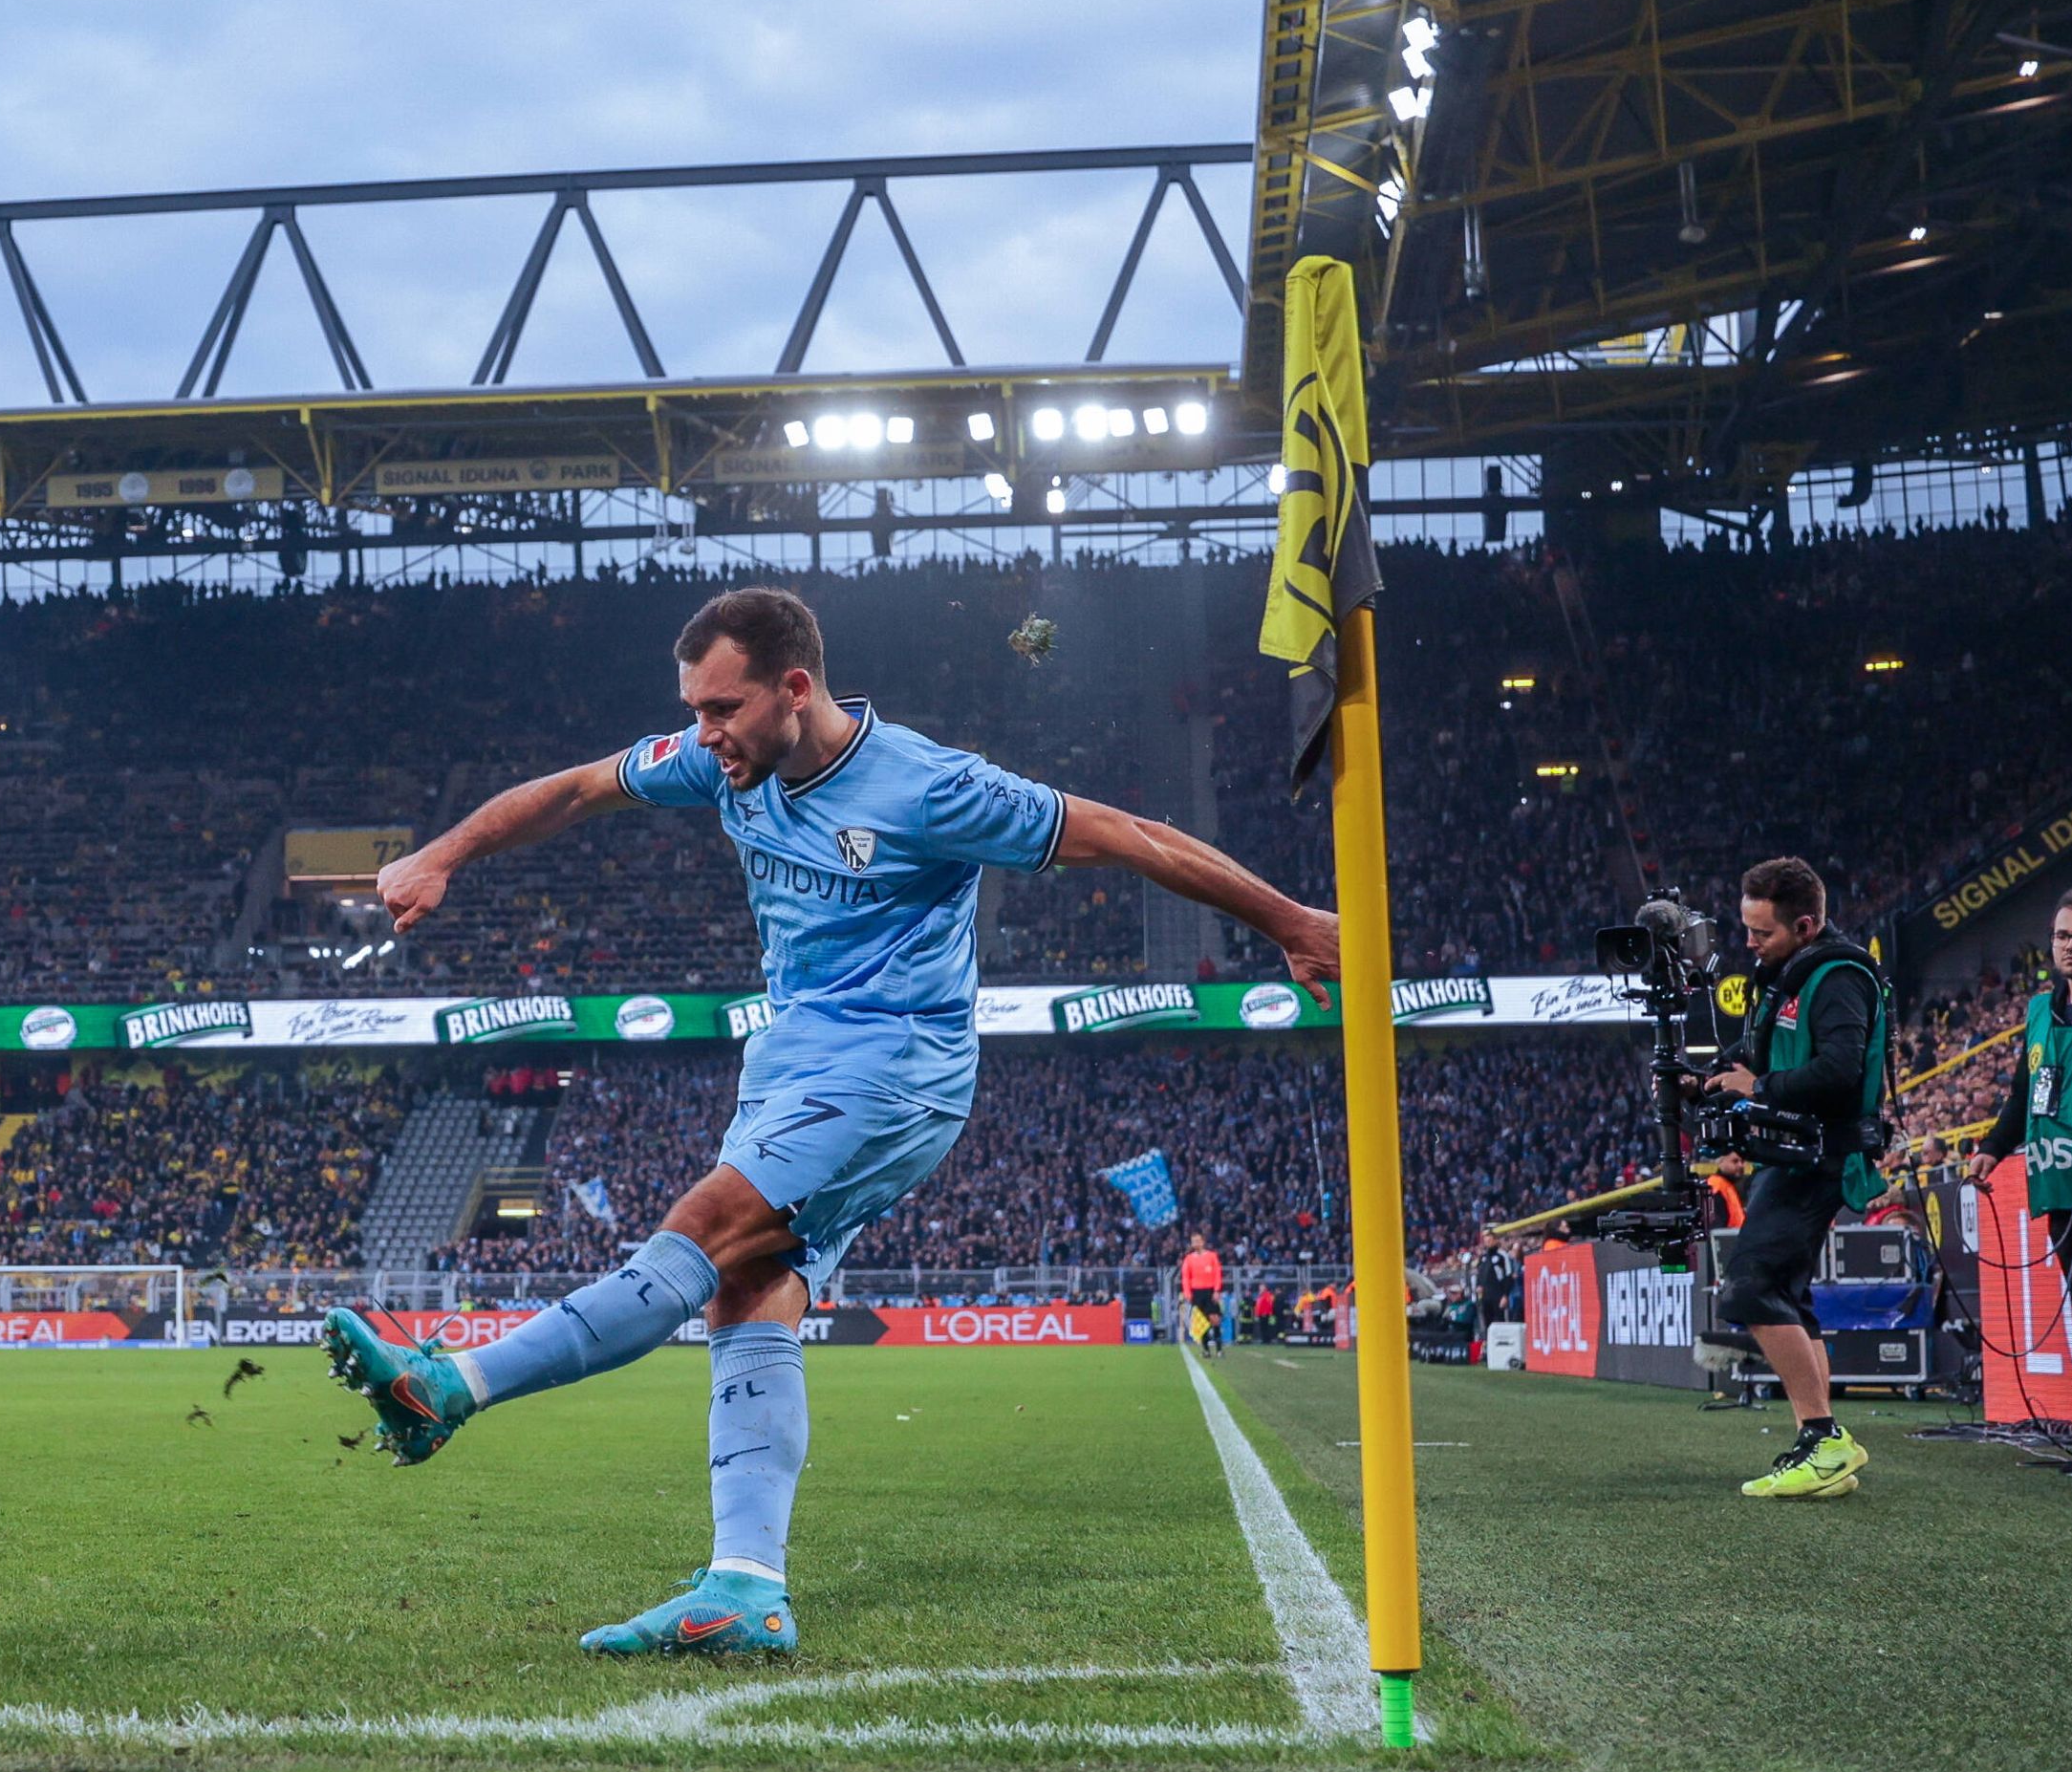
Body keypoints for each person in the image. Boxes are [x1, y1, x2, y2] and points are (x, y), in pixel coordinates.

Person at [319, 585, 1337, 1655]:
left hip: (891, 1073)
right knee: (746, 1293)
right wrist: (440, 854)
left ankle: (452, 1385)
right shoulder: (719, 764)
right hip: (791, 1068)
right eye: (694, 711)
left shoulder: (928, 786)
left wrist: (1289, 920)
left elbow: (1122, 833)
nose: (702, 734)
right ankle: (746, 1588)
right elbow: (576, 790)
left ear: (793, 690)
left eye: (721, 709)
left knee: (701, 1233)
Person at [1703, 857, 1892, 1500]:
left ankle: (1824, 1437)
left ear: (1806, 924)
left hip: (1820, 1154)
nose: (1749, 944)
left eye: (1762, 933)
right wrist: (1707, 1074)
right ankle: (1820, 1442)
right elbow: (1759, 1053)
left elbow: (1840, 1069)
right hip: (1790, 1154)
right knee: (1786, 1293)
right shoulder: (1787, 974)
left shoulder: (1837, 976)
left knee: (1749, 1289)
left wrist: (1761, 1086)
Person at [1963, 889, 2072, 1471]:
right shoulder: (2036, 1011)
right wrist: (1994, 1149)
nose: (2070, 946)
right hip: (2059, 1185)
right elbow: (2025, 1093)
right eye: (2061, 935)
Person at [1179, 1232, 1229, 1356]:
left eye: (1197, 1241)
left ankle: (1219, 1349)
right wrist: (1187, 1293)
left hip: (1210, 1291)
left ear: (1202, 1242)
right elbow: (1186, 1277)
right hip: (1196, 1292)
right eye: (1193, 1241)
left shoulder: (1212, 1256)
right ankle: (1206, 1350)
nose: (1195, 1243)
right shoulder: (1189, 1259)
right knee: (1201, 1322)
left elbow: (1217, 1274)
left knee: (1215, 1320)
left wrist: (1217, 1290)